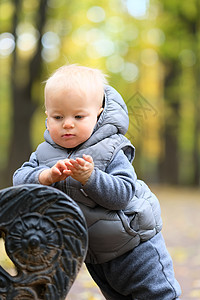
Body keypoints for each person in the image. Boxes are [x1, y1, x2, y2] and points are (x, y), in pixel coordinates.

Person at [13, 64, 181, 299]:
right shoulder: (44, 154)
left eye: (78, 116)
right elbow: (19, 181)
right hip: (96, 256)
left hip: (134, 246)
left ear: (98, 114)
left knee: (156, 295)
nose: (67, 124)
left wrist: (91, 178)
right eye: (58, 117)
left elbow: (123, 194)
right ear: (47, 117)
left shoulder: (111, 148)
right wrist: (45, 176)